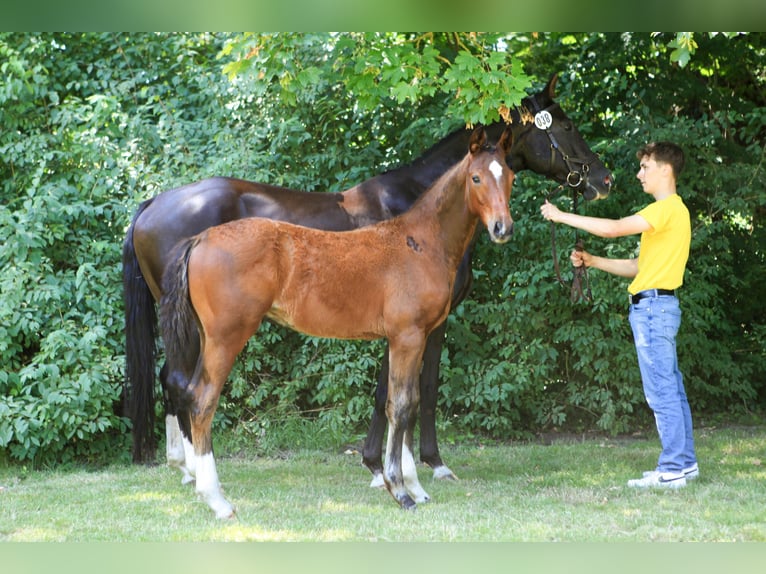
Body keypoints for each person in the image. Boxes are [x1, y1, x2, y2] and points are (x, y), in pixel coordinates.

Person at [540, 141, 698, 489]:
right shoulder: (675, 212)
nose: (640, 173)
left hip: (654, 311)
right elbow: (638, 266)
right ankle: (684, 464)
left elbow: (613, 227)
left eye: (646, 167)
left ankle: (672, 469)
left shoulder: (665, 209)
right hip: (660, 306)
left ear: (665, 171)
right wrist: (593, 261)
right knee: (673, 389)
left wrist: (560, 215)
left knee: (661, 392)